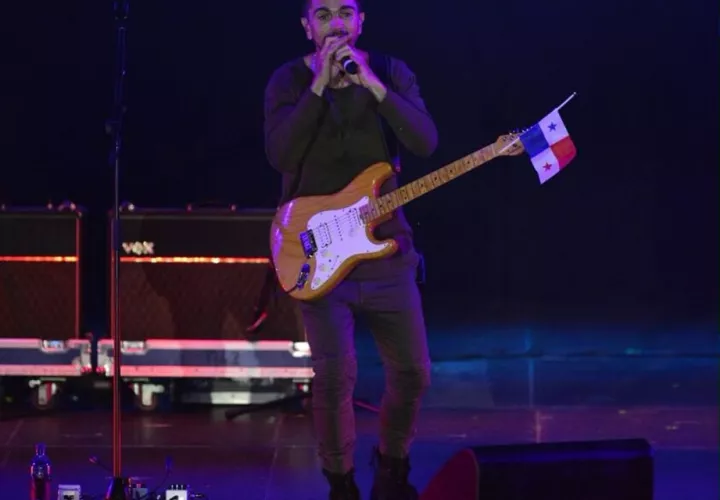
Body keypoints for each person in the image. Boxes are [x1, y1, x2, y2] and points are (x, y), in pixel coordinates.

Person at [263, 0, 438, 498]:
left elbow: (425, 141)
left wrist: (373, 86)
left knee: (413, 371)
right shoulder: (287, 82)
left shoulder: (390, 72)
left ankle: (393, 465)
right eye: (323, 15)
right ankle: (340, 482)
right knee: (335, 376)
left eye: (345, 13)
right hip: (318, 255)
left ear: (361, 22)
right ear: (306, 27)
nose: (335, 24)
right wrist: (318, 85)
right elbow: (280, 154)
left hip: (386, 250)